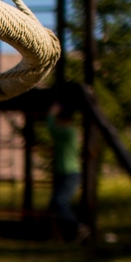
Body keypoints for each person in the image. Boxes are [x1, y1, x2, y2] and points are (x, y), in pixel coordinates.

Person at [46, 101, 85, 242]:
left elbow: (51, 129)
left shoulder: (68, 132)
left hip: (70, 174)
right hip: (64, 173)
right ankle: (71, 235)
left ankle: (77, 227)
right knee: (56, 204)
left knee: (59, 202)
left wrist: (51, 114)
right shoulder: (67, 132)